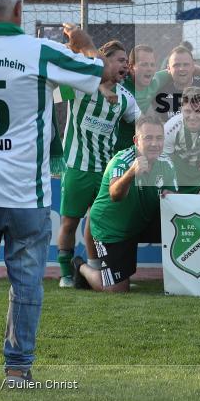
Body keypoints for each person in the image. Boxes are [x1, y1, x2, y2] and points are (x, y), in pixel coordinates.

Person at [0, 0, 117, 385]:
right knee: (25, 286)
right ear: (19, 9)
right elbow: (99, 73)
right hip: (26, 193)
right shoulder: (40, 51)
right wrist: (83, 43)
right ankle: (18, 371)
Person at [56, 40, 139, 289]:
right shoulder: (82, 86)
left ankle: (95, 269)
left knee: (97, 221)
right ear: (105, 61)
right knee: (69, 222)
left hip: (105, 170)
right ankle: (65, 273)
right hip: (76, 166)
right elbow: (54, 90)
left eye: (126, 61)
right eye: (120, 60)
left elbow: (142, 124)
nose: (125, 65)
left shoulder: (125, 97)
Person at [73, 115, 177, 292]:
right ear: (136, 140)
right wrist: (131, 173)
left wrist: (171, 196)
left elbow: (174, 197)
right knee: (116, 290)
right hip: (113, 228)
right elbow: (115, 195)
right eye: (148, 138)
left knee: (179, 223)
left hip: (141, 221)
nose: (154, 143)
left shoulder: (166, 162)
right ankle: (80, 267)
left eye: (159, 138)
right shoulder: (121, 161)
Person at [151, 46, 200, 119]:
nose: (181, 69)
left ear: (193, 66)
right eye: (176, 65)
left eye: (186, 64)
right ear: (168, 68)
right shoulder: (159, 92)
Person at [115, 45, 157, 151]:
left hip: (141, 149)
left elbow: (176, 69)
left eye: (152, 65)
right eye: (144, 64)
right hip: (117, 152)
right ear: (131, 67)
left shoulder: (156, 81)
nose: (149, 69)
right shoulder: (120, 87)